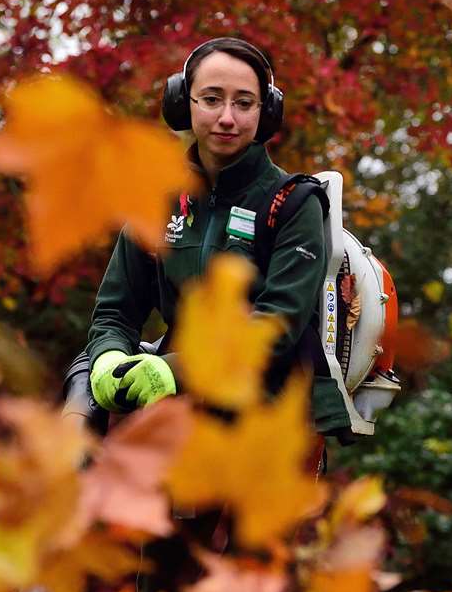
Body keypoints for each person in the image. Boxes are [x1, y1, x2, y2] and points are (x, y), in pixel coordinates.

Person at [63, 36, 351, 440]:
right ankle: (69, 478)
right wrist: (110, 358)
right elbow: (116, 310)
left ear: (265, 111)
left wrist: (176, 371)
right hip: (173, 392)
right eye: (212, 99)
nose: (227, 118)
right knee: (85, 371)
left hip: (265, 399)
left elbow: (274, 329)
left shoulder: (294, 202)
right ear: (184, 103)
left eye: (244, 103)